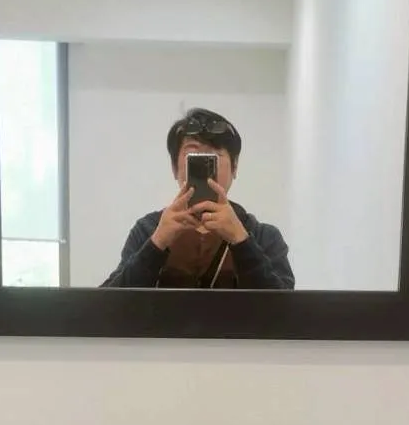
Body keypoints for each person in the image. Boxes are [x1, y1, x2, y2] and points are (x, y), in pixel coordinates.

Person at [101, 108, 294, 289]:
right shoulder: (148, 229)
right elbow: (110, 303)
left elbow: (285, 307)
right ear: (174, 168)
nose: (203, 167)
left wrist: (241, 241)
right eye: (193, 156)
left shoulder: (263, 236)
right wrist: (157, 243)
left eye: (214, 156)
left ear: (234, 167)